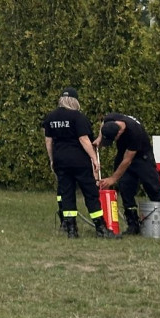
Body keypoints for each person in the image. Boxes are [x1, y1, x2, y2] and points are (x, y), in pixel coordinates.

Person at [42, 87, 116, 238]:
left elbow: (48, 141)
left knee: (67, 193)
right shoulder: (78, 117)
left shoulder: (50, 117)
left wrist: (52, 159)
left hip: (60, 160)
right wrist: (94, 158)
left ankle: (71, 230)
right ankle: (101, 228)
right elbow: (84, 139)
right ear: (75, 101)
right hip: (78, 161)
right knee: (90, 193)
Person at [96, 113, 160, 237]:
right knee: (125, 188)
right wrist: (99, 137)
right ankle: (133, 224)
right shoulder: (111, 119)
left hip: (142, 157)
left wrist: (113, 178)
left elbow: (127, 160)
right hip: (123, 153)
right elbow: (103, 123)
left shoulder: (134, 132)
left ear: (119, 133)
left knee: (154, 189)